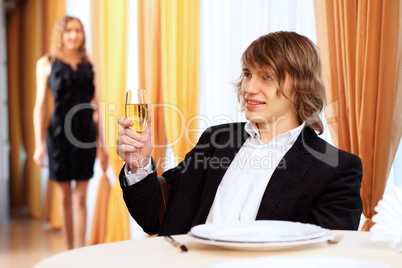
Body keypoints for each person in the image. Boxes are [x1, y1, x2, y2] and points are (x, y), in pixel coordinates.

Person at [116, 31, 363, 236]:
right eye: (247, 74)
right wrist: (139, 165)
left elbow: (324, 256)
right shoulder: (217, 140)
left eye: (266, 77)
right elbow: (154, 216)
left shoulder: (336, 169)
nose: (249, 88)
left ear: (300, 87)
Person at [33, 15, 109, 249]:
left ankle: (80, 254)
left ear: (83, 34)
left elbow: (97, 108)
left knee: (81, 197)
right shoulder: (46, 63)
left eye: (78, 30)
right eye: (68, 31)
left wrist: (103, 145)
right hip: (58, 136)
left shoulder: (90, 66)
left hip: (85, 135)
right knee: (65, 198)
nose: (74, 35)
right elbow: (41, 105)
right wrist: (38, 144)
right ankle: (69, 252)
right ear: (61, 34)